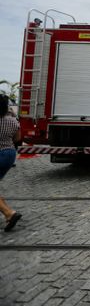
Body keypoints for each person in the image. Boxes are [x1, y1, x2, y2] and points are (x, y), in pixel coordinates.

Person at [0, 95, 21, 232]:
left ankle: (9, 213)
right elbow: (18, 139)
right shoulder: (13, 121)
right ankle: (7, 214)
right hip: (9, 154)